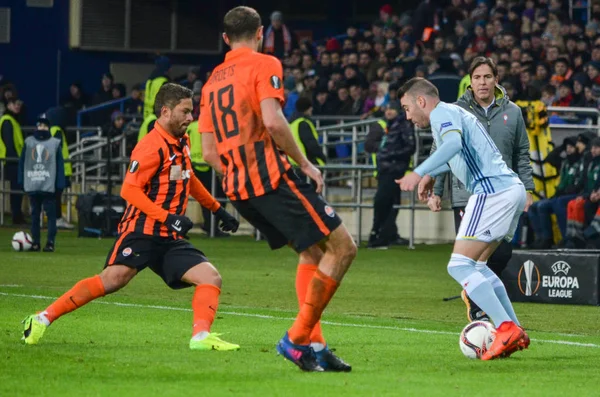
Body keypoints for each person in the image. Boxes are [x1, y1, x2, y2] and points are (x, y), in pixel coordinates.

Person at [22, 83, 241, 352]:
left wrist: (217, 208)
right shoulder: (151, 146)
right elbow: (129, 189)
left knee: (210, 277)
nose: (190, 117)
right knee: (112, 280)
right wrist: (167, 217)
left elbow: (189, 178)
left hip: (168, 236)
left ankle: (200, 337)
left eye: (191, 111)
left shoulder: (181, 142)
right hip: (142, 230)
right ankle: (41, 318)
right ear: (165, 111)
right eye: (185, 111)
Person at [199, 6, 357, 372]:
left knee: (312, 253)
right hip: (270, 179)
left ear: (225, 38)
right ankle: (296, 338)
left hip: (239, 190)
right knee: (343, 248)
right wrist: (304, 164)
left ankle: (314, 346)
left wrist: (237, 174)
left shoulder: (210, 83)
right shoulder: (263, 63)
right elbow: (272, 120)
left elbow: (208, 152)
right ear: (259, 34)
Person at [397, 77, 530, 361]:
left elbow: (453, 144)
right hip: (511, 190)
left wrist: (419, 171)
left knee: (459, 265)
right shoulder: (455, 113)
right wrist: (433, 175)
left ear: (421, 101)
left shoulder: (443, 113)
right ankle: (516, 329)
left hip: (492, 191)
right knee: (479, 265)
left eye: (407, 108)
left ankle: (506, 329)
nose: (408, 116)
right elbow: (458, 153)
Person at [428, 57, 535, 322]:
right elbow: (442, 150)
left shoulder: (514, 112)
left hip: (504, 193)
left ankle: (484, 303)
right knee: (472, 258)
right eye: (477, 77)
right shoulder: (456, 111)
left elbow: (522, 153)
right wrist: (436, 189)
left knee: (501, 254)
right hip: (468, 194)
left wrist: (528, 188)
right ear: (470, 81)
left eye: (487, 77)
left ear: (496, 80)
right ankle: (481, 313)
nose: (482, 82)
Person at [366, 100, 415, 249]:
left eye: (392, 109)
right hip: (385, 170)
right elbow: (370, 145)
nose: (388, 111)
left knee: (384, 202)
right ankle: (385, 235)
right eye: (387, 109)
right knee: (387, 203)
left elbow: (410, 146)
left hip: (393, 170)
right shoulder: (386, 125)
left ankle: (380, 236)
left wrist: (388, 154)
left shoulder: (402, 125)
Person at [18, 116, 64, 252]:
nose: (42, 128)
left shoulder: (54, 143)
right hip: (34, 185)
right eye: (40, 125)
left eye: (45, 126)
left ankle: (50, 242)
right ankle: (36, 242)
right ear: (36, 127)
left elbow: (59, 165)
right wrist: (21, 180)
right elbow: (22, 163)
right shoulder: (29, 142)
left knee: (50, 216)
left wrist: (59, 184)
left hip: (48, 186)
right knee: (34, 216)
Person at [0, 98, 25, 224]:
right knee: (16, 189)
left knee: (17, 189)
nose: (18, 106)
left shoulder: (11, 120)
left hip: (14, 160)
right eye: (16, 104)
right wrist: (15, 158)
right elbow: (9, 143)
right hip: (12, 161)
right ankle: (16, 216)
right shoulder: (8, 121)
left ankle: (17, 215)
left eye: (19, 104)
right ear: (8, 105)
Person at [288, 96, 326, 167]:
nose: (312, 109)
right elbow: (311, 144)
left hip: (293, 162)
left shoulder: (291, 123)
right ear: (308, 108)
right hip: (305, 163)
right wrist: (322, 157)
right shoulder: (303, 123)